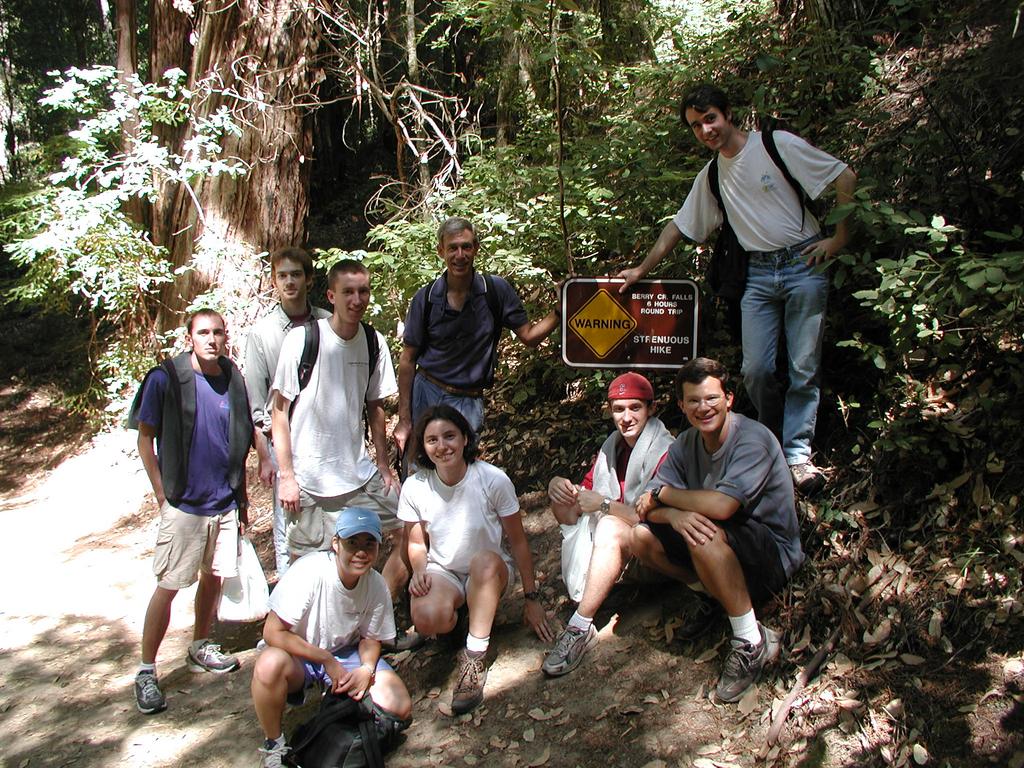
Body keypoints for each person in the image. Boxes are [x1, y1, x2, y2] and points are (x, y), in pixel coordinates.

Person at [618, 84, 857, 494]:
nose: (706, 130)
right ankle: (769, 441)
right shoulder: (712, 176)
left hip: (803, 262)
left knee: (803, 366)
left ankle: (796, 455)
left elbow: (843, 175)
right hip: (757, 273)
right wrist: (642, 268)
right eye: (696, 126)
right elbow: (679, 226)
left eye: (710, 118)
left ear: (728, 114)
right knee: (756, 369)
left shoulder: (774, 145)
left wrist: (839, 239)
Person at [632, 358, 804, 704]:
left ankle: (751, 639)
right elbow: (643, 505)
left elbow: (724, 506)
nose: (703, 407)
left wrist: (665, 496)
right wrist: (674, 515)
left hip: (771, 555)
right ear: (682, 405)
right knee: (640, 537)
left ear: (729, 399)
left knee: (703, 534)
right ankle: (711, 596)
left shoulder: (752, 439)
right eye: (693, 400)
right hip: (722, 547)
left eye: (712, 398)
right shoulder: (686, 444)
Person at [127, 308, 255, 715]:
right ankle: (146, 670)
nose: (211, 339)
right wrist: (161, 495)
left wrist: (241, 500)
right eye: (203, 332)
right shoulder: (165, 378)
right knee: (169, 585)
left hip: (224, 502)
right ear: (190, 337)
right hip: (184, 505)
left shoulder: (232, 377)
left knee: (213, 577)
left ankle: (200, 644)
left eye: (218, 332)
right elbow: (145, 439)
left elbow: (239, 440)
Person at [398, 405, 554, 714]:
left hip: (490, 571)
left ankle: (474, 656)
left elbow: (518, 541)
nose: (442, 446)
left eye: (449, 436)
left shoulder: (492, 479)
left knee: (483, 562)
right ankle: (460, 619)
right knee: (426, 617)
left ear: (465, 439)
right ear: (423, 446)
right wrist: (418, 570)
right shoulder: (415, 486)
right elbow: (415, 542)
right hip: (444, 571)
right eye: (432, 440)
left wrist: (531, 598)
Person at [270, 259, 408, 596]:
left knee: (409, 530)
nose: (356, 300)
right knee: (307, 566)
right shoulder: (303, 339)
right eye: (348, 292)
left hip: (358, 473)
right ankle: (313, 623)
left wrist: (383, 464)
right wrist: (287, 477)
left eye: (363, 291)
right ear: (331, 296)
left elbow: (375, 405)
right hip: (309, 479)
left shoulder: (373, 341)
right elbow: (279, 412)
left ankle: (376, 608)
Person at [251, 508, 413, 768]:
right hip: (300, 652)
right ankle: (275, 743)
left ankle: (333, 720)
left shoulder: (375, 584)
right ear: (336, 544)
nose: (361, 552)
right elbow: (272, 631)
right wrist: (325, 659)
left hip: (345, 651)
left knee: (399, 705)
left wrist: (366, 669)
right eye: (352, 543)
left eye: (369, 544)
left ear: (378, 547)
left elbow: (371, 638)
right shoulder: (310, 571)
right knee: (269, 664)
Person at [392, 217, 560, 458]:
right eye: (452, 248)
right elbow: (408, 359)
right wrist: (404, 420)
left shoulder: (495, 291)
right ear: (441, 251)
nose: (460, 255)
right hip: (427, 393)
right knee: (420, 468)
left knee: (461, 471)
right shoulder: (426, 298)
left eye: (466, 247)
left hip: (468, 401)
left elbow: (529, 336)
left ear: (476, 248)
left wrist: (558, 312)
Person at [541, 372, 674, 677]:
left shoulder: (665, 449)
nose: (626, 417)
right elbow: (586, 491)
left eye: (635, 408)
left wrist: (603, 504)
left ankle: (580, 626)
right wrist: (557, 485)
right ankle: (587, 582)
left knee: (610, 526)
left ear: (651, 408)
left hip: (654, 549)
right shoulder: (612, 447)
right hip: (623, 545)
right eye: (618, 409)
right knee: (563, 502)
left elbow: (654, 515)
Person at [244, 246, 331, 575]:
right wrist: (264, 455)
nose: (290, 282)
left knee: (329, 519)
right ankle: (289, 593)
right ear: (274, 281)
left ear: (309, 279)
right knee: (288, 525)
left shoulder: (328, 322)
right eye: (283, 276)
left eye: (296, 274)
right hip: (285, 442)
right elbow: (258, 403)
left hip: (326, 438)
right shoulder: (262, 334)